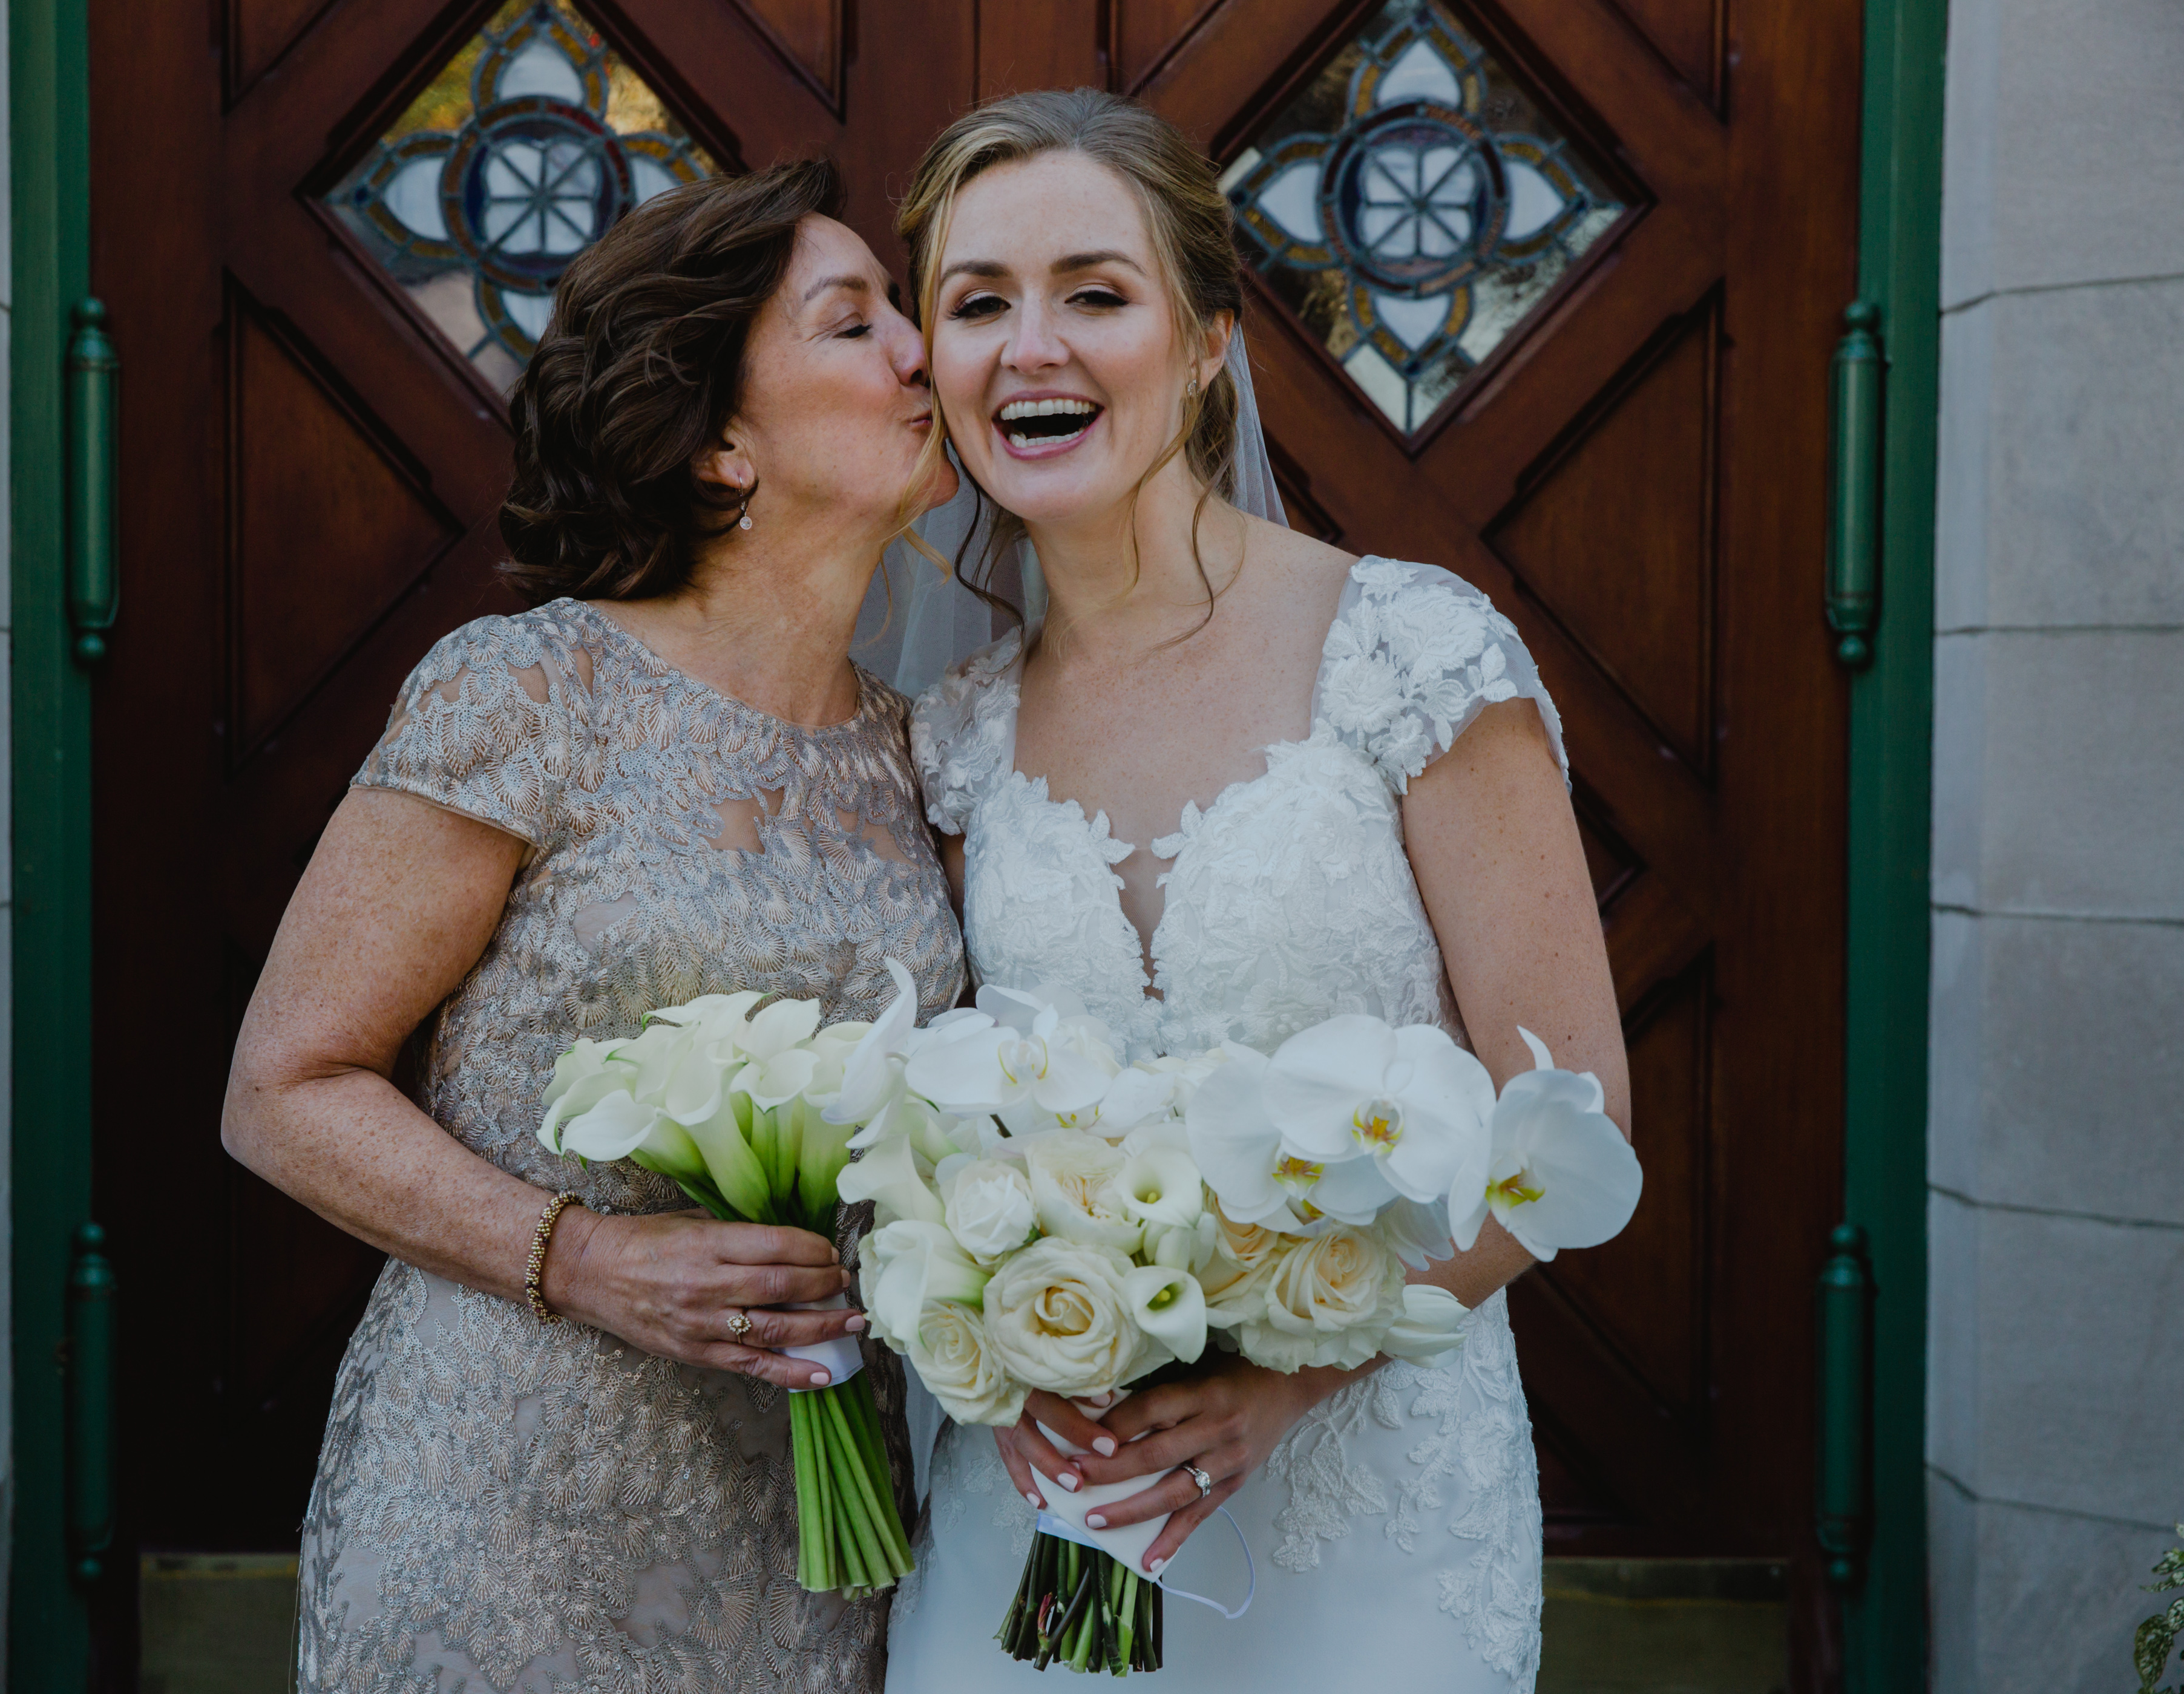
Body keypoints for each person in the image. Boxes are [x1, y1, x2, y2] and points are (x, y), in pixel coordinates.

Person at [879, 91, 1630, 1692]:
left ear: (1210, 341)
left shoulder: (1412, 655)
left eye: (1095, 293)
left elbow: (1572, 1118)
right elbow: (946, 1132)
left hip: (1368, 1511)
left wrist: (1301, 1369)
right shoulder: (957, 738)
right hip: (1051, 1508)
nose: (1031, 350)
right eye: (979, 303)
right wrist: (1006, 1332)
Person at [221, 158, 966, 1693]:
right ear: (719, 444)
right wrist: (587, 1257)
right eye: (855, 322)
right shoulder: (530, 692)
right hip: (510, 1493)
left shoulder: (924, 755)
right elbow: (283, 1090)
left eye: (904, 311)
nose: (923, 351)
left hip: (808, 1513)